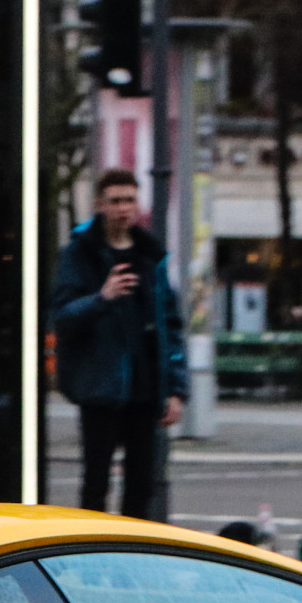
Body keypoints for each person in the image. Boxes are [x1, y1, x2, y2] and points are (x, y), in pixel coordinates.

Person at [51, 169, 188, 519]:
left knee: (141, 483)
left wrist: (175, 389)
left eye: (129, 200)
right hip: (99, 386)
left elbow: (169, 324)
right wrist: (102, 297)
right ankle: (90, 551)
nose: (123, 208)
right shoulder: (80, 253)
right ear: (100, 205)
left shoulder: (149, 255)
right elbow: (62, 317)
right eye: (115, 201)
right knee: (96, 481)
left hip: (144, 388)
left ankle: (131, 554)